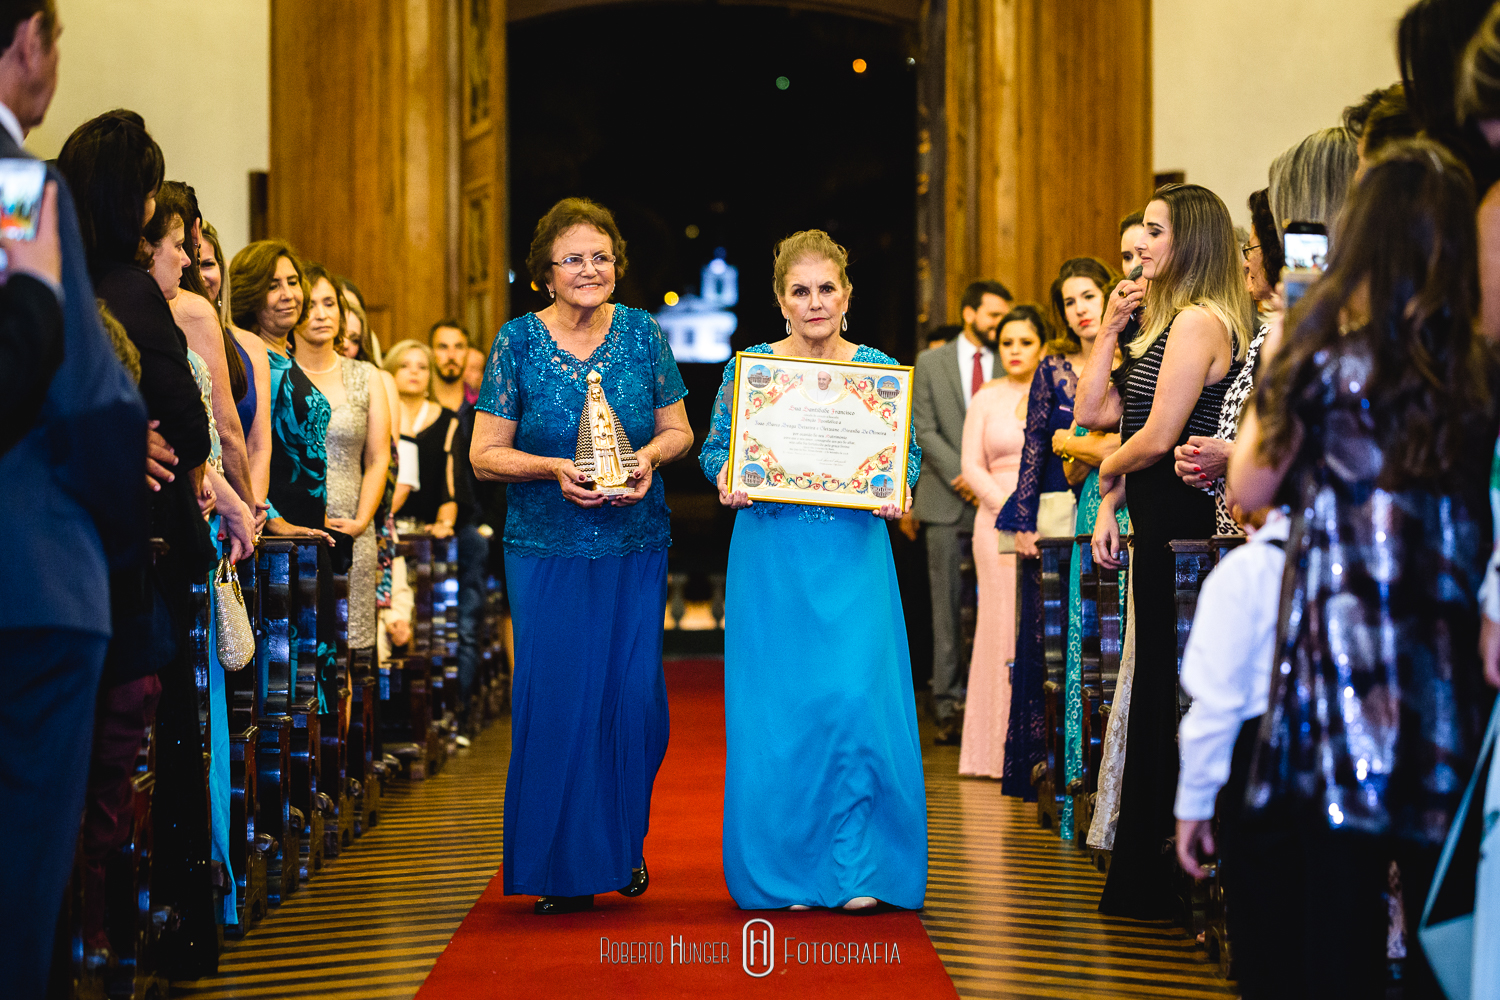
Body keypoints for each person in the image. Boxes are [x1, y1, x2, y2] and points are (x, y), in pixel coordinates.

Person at [1227, 137, 1496, 1000]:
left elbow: (1251, 487)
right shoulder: (1482, 371)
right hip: (1448, 666)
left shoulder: (1326, 365)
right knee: (1439, 904)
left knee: (1332, 909)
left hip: (1338, 670)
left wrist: (1293, 337)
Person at [470, 197, 692, 915]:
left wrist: (650, 460)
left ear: (617, 266)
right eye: (573, 259)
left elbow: (679, 430)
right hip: (547, 547)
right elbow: (483, 456)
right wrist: (552, 468)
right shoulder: (517, 343)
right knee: (561, 701)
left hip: (634, 542)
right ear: (545, 274)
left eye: (601, 257)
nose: (589, 270)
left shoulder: (644, 335)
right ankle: (563, 870)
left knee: (633, 704)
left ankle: (620, 848)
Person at [702, 228, 925, 911]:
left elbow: (903, 454)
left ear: (847, 296)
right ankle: (788, 875)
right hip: (773, 558)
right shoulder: (751, 369)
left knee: (855, 704)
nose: (815, 301)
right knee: (783, 718)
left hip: (853, 556)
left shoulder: (878, 368)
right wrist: (727, 478)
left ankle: (858, 869)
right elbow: (716, 449)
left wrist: (900, 485)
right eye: (801, 290)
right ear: (781, 301)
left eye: (827, 288)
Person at [0, 11, 149, 989]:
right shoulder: (19, 190)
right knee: (21, 883)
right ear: (25, 42)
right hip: (31, 573)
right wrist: (121, 537)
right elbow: (92, 398)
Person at [61, 108, 223, 977]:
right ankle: (160, 926)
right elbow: (191, 427)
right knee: (149, 747)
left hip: (68, 558)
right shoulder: (127, 291)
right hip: (133, 561)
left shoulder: (44, 277)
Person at [1076, 183, 1256, 919]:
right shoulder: (1162, 322)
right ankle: (1156, 869)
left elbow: (1151, 439)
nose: (1141, 243)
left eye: (1155, 230)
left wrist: (1101, 470)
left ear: (1193, 241)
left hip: (1182, 517)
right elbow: (1093, 411)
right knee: (1154, 685)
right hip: (1153, 513)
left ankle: (1163, 875)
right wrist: (1109, 331)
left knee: (1167, 691)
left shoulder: (1198, 322)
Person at [1000, 258, 1123, 828]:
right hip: (1073, 503)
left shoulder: (1139, 352)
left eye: (1088, 295)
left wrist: (1078, 444)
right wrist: (1022, 516)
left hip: (1123, 495)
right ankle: (1071, 775)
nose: (1080, 308)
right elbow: (1040, 445)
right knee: (1072, 640)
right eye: (1069, 301)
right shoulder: (1054, 368)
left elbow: (1076, 441)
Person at [912, 279, 1013, 745]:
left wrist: (984, 482)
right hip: (945, 500)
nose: (999, 325)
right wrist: (965, 473)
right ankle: (948, 705)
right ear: (970, 313)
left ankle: (996, 701)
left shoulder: (1009, 363)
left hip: (998, 500)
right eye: (993, 315)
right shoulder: (930, 362)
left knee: (997, 604)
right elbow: (924, 429)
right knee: (946, 609)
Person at [957, 305, 1044, 781]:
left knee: (1034, 631)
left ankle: (1032, 748)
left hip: (1045, 524)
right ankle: (990, 753)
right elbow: (971, 466)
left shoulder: (1057, 390)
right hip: (994, 524)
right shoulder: (986, 398)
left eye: (1025, 342)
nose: (1014, 351)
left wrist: (1031, 511)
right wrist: (1011, 508)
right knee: (996, 632)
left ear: (1043, 347)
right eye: (1007, 343)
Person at [294, 262, 389, 657]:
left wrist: (362, 520)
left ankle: (349, 722)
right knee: (298, 654)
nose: (321, 314)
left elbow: (378, 456)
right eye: (311, 304)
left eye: (329, 303)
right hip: (295, 531)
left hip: (353, 527)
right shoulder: (280, 372)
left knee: (350, 652)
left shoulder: (366, 375)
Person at [229, 240, 333, 542]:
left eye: (293, 282)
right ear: (251, 293)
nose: (288, 295)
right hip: (274, 532)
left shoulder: (284, 356)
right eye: (273, 286)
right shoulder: (253, 358)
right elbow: (244, 446)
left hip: (306, 522)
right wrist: (272, 518)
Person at [202, 220, 272, 507]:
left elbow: (258, 443)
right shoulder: (168, 339)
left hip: (247, 504)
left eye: (208, 264)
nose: (201, 275)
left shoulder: (251, 345)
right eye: (192, 264)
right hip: (200, 498)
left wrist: (252, 505)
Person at [387, 339, 458, 531]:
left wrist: (444, 524)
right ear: (389, 373)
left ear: (430, 376)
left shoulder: (448, 420)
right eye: (404, 365)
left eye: (422, 367)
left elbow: (450, 481)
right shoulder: (377, 416)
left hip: (428, 526)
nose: (414, 372)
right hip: (383, 518)